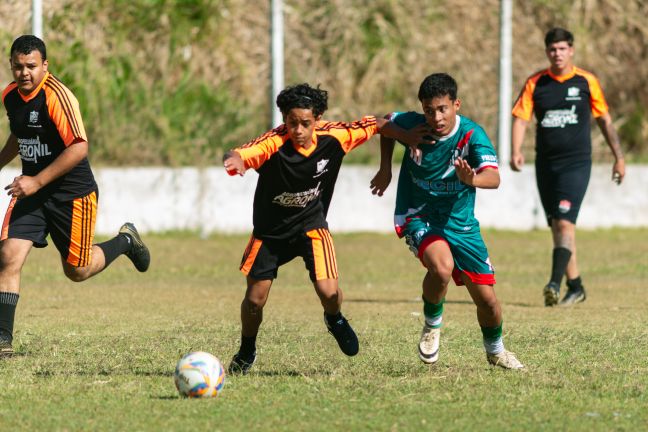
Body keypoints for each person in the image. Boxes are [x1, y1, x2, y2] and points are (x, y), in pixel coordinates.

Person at [223, 83, 429, 374]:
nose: (298, 130)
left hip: (311, 227)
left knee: (329, 293)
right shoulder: (273, 143)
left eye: (305, 123)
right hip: (270, 234)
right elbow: (241, 153)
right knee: (255, 300)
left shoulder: (334, 137)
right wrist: (234, 161)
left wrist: (407, 137)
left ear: (317, 119)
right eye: (291, 122)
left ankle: (334, 319)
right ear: (284, 119)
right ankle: (247, 349)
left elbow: (377, 124)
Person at [0, 35, 150, 357]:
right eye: (17, 66)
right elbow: (20, 132)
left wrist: (37, 181)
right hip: (32, 190)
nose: (24, 73)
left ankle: (125, 241)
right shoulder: (11, 96)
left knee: (78, 270)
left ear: (45, 66)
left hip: (72, 194)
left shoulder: (58, 97)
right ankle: (3, 341)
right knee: (8, 256)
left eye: (31, 66)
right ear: (10, 65)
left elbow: (79, 147)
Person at [370, 73, 524, 369]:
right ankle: (432, 325)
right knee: (442, 268)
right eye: (429, 110)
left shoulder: (471, 135)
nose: (436, 117)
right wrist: (386, 166)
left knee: (488, 302)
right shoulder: (414, 124)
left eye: (442, 109)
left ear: (456, 104)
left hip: (461, 225)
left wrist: (473, 178)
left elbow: (494, 177)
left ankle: (496, 351)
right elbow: (381, 124)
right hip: (419, 216)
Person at [511, 27, 625, 307]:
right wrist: (515, 150)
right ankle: (576, 287)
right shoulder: (536, 83)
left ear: (571, 50)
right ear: (547, 52)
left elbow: (605, 120)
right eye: (552, 49)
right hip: (545, 165)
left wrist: (619, 157)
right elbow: (521, 119)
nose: (557, 54)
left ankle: (553, 283)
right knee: (559, 227)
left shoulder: (587, 81)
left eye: (562, 48)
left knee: (564, 222)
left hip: (576, 164)